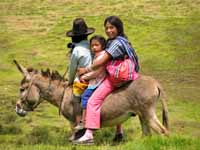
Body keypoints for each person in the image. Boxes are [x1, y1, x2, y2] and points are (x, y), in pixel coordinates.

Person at [74, 16, 140, 145]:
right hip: (128, 75)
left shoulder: (116, 43)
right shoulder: (122, 40)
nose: (109, 30)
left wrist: (85, 70)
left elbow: (101, 62)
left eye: (112, 27)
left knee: (92, 101)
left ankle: (88, 135)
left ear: (118, 28)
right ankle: (119, 131)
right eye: (107, 28)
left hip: (115, 77)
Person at [66, 18, 95, 140]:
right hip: (96, 77)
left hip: (83, 80)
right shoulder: (92, 45)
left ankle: (80, 127)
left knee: (76, 100)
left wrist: (70, 81)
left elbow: (72, 68)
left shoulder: (76, 50)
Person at [74, 35, 107, 131]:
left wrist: (84, 76)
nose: (94, 48)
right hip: (96, 79)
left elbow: (97, 72)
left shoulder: (101, 57)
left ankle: (83, 121)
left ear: (102, 46)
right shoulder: (99, 55)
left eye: (97, 45)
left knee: (85, 96)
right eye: (92, 46)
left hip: (97, 81)